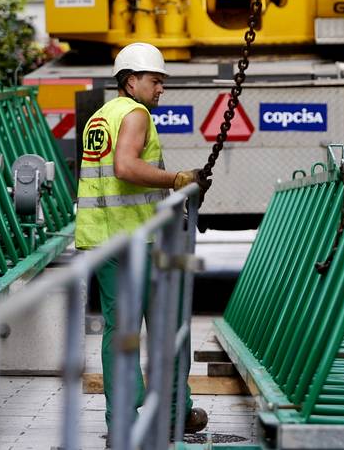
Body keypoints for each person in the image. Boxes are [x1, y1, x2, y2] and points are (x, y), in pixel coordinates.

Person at [75, 42, 208, 444]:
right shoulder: (135, 114)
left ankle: (122, 421)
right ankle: (174, 413)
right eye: (155, 80)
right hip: (136, 242)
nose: (160, 88)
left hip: (103, 239)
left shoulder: (101, 117)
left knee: (122, 331)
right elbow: (126, 167)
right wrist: (178, 180)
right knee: (169, 326)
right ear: (131, 81)